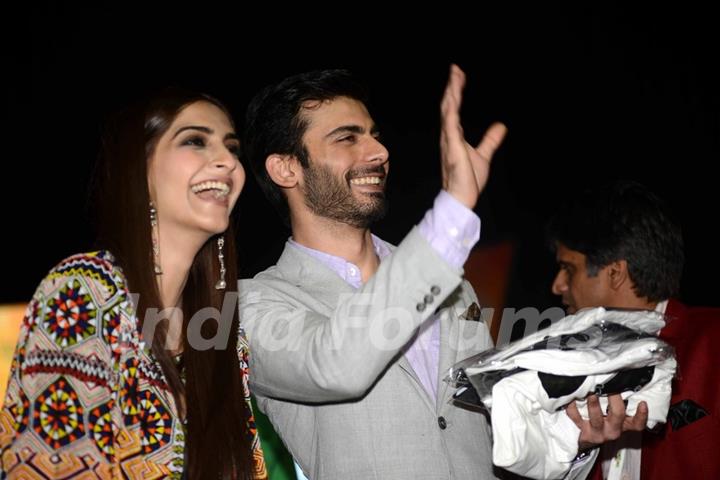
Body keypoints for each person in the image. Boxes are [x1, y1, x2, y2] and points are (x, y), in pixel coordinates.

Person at [240, 65, 639, 479]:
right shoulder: (255, 303)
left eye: (375, 134)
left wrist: (572, 441)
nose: (378, 152)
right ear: (286, 168)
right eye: (347, 138)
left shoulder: (449, 285)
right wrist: (453, 209)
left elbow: (494, 439)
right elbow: (336, 366)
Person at [0, 88, 266, 479]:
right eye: (195, 141)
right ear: (138, 169)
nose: (227, 161)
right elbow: (54, 466)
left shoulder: (220, 326)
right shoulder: (85, 290)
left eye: (232, 148)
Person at [547, 180, 720, 480]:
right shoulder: (566, 368)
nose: (557, 285)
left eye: (569, 269)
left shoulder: (713, 342)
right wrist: (579, 448)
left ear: (615, 273)